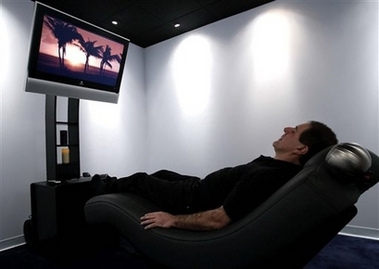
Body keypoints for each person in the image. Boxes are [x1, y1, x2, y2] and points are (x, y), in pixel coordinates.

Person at [92, 121, 338, 231]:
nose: (286, 128)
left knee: (140, 179)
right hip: (198, 187)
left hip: (191, 201)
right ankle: (116, 188)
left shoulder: (266, 177)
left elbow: (218, 220)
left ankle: (98, 189)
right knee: (163, 173)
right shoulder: (278, 170)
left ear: (301, 149)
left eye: (294, 131)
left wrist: (173, 220)